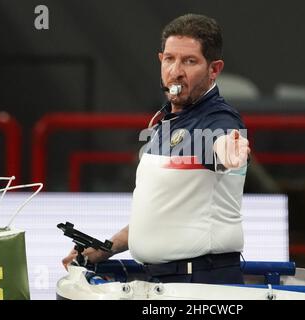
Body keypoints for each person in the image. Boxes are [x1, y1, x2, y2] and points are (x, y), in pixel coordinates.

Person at [62, 13, 250, 284]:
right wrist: (106, 247)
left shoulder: (218, 119)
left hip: (201, 284)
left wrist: (230, 150)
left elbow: (223, 142)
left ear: (214, 69)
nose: (176, 71)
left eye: (190, 61)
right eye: (170, 59)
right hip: (164, 282)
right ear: (160, 60)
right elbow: (160, 214)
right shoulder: (164, 124)